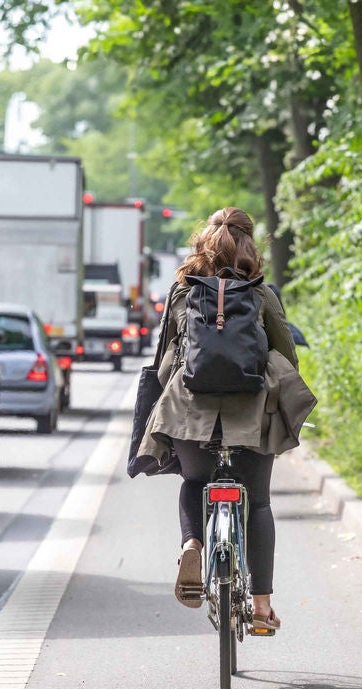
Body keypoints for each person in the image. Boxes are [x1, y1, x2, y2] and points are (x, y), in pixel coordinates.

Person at [135, 207, 316, 633]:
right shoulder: (261, 293)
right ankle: (260, 605)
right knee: (260, 502)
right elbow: (287, 355)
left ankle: (193, 543)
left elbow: (165, 360)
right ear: (250, 245)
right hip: (250, 416)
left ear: (203, 244)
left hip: (189, 416)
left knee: (195, 482)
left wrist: (158, 419)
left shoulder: (182, 292)